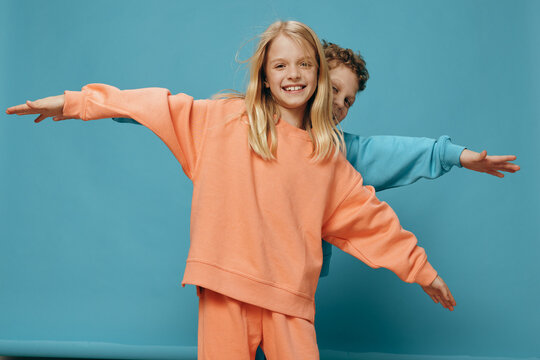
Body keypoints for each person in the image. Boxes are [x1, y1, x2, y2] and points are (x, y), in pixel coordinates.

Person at [6, 21, 456, 359]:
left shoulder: (328, 156)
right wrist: (74, 102)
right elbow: (150, 105)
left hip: (288, 299)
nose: (293, 74)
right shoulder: (221, 120)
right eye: (280, 64)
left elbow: (367, 219)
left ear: (319, 76)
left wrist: (422, 270)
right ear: (264, 75)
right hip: (223, 287)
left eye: (304, 64)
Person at [112, 41, 520, 279]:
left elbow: (402, 150)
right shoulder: (244, 119)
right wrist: (105, 106)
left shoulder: (341, 152)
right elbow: (170, 112)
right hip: (234, 270)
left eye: (349, 101)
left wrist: (458, 156)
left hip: (290, 283)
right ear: (309, 80)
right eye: (336, 91)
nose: (341, 104)